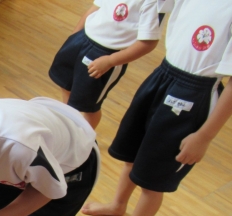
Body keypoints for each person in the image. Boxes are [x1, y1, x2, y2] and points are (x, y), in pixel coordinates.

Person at [82, 0, 232, 216]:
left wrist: (204, 136)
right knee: (133, 151)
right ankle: (119, 203)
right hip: (164, 75)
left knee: (154, 176)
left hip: (195, 93)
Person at [49, 0, 162, 129]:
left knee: (89, 105)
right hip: (82, 40)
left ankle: (84, 140)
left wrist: (110, 61)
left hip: (106, 55)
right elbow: (94, 9)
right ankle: (68, 122)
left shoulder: (151, 3)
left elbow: (148, 43)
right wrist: (74, 37)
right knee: (66, 85)